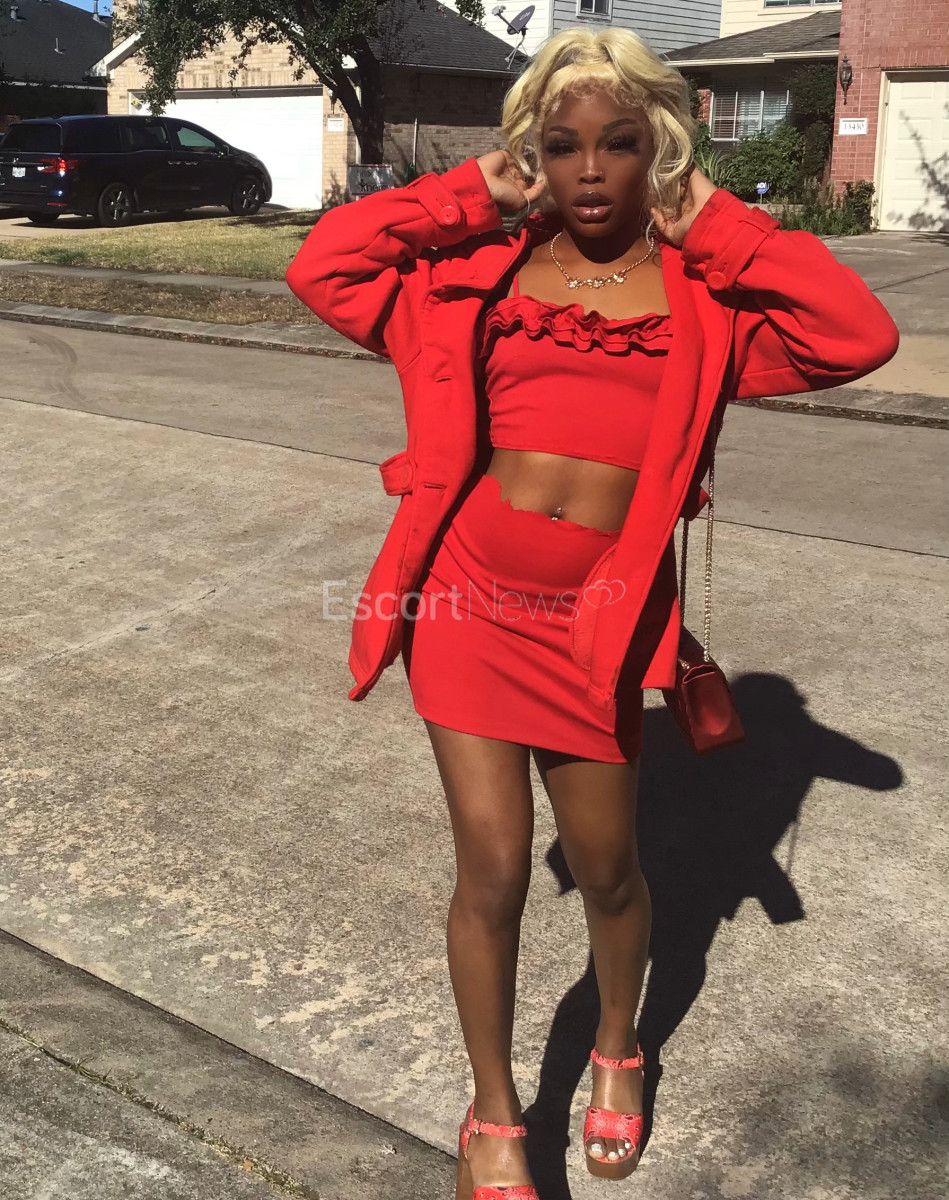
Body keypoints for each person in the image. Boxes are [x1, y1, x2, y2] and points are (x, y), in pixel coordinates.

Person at [286, 26, 899, 1198]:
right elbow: (325, 266)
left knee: (610, 870)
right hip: (465, 599)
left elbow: (857, 334)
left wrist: (714, 220)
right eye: (560, 145)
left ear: (657, 147)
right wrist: (467, 195)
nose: (588, 169)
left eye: (617, 142)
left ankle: (618, 1043)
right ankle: (494, 1113)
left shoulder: (705, 301)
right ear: (533, 153)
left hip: (599, 623)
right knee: (493, 868)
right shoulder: (476, 276)